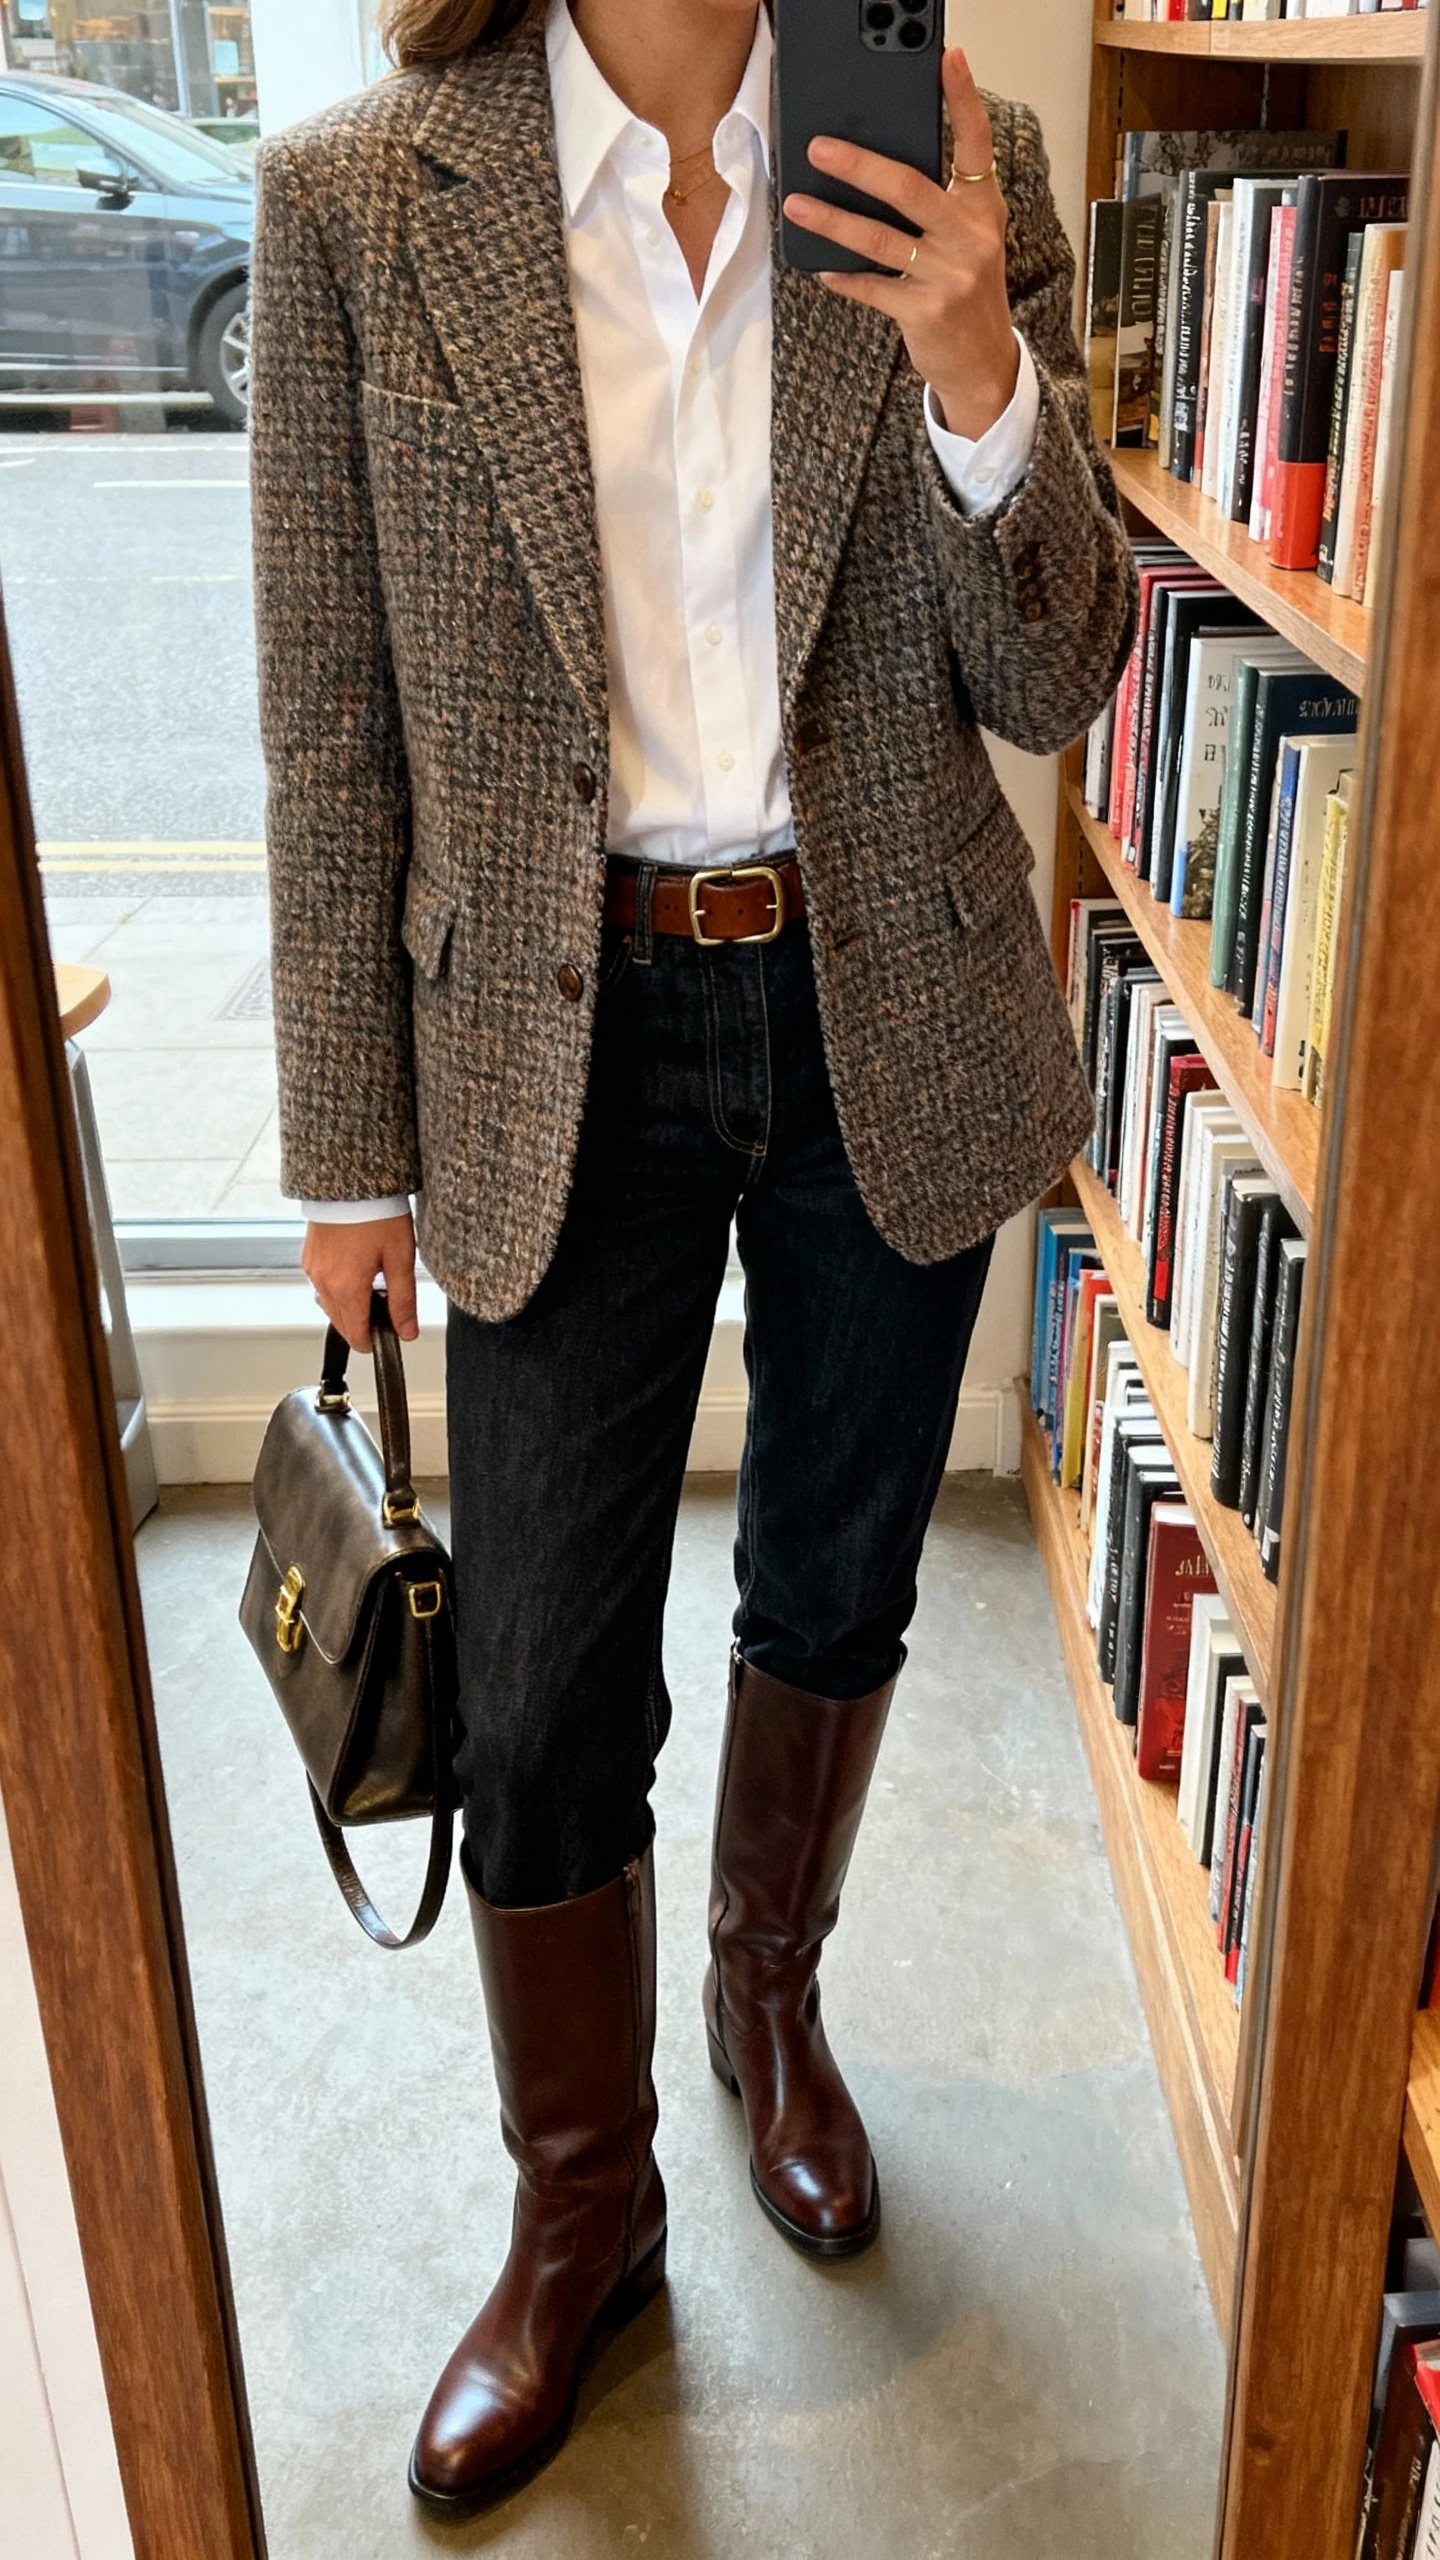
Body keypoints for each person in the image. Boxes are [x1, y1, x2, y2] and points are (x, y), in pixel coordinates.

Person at [249, 0, 1135, 2518]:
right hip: (553, 1031)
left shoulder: (955, 156)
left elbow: (1050, 670)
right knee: (531, 1687)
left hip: (890, 1003)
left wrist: (983, 371)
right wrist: (346, 1149)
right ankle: (580, 2207)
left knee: (839, 1574)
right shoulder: (350, 205)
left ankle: (772, 1998)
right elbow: (332, 731)